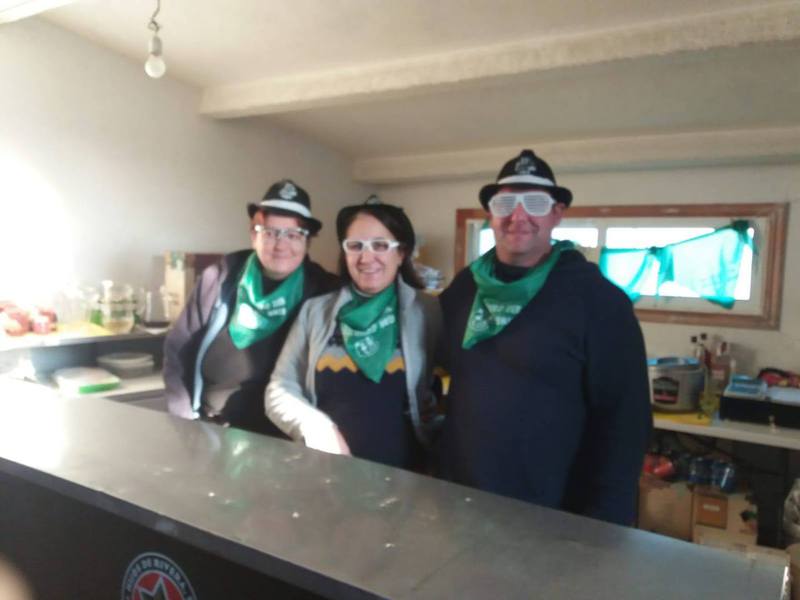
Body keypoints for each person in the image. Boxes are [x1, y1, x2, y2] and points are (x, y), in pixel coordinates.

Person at [437, 149, 652, 525]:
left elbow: (626, 422)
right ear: (491, 214)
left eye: (535, 203)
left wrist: (605, 525)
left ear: (557, 214)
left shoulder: (598, 301)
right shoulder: (465, 287)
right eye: (505, 203)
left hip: (551, 514)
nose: (518, 216)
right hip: (461, 502)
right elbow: (435, 363)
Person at [265, 199, 441, 470]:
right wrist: (317, 427)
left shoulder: (427, 312)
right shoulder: (315, 312)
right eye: (355, 246)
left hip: (406, 478)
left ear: (401, 253)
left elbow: (465, 381)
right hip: (326, 472)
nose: (366, 258)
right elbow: (279, 389)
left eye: (380, 245)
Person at [164, 179, 339, 435]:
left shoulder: (325, 291)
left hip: (288, 437)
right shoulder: (220, 277)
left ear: (307, 242)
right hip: (214, 429)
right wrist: (185, 421)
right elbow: (178, 350)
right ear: (254, 235)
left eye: (293, 235)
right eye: (270, 232)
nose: (280, 245)